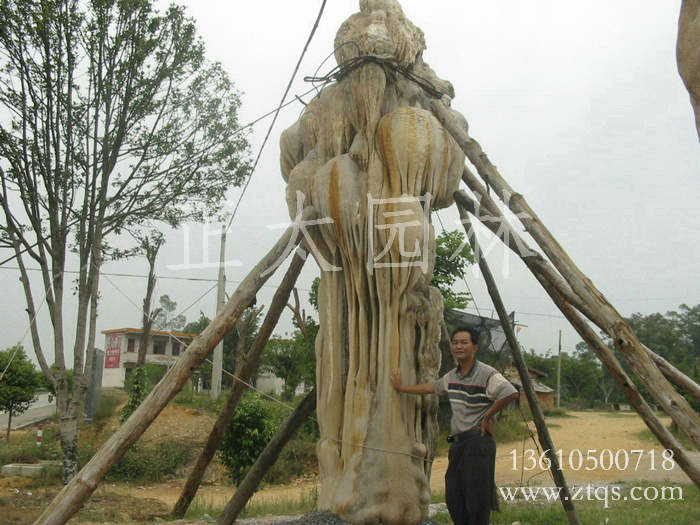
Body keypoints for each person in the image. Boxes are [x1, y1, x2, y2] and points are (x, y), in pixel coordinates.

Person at [391, 326, 518, 525]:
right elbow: (431, 387)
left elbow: (510, 393)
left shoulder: (486, 373)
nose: (458, 346)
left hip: (478, 443)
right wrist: (401, 388)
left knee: (476, 501)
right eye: (455, 342)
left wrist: (488, 416)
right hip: (458, 444)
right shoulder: (453, 376)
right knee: (454, 497)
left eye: (464, 342)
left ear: (474, 347)